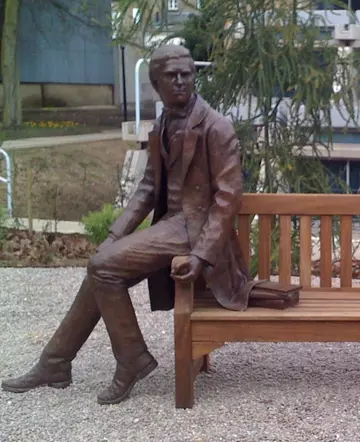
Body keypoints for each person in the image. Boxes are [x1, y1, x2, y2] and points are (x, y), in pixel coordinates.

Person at [1, 44, 251, 405]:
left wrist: (201, 255)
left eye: (187, 73)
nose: (181, 81)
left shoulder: (217, 126)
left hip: (192, 230)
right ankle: (55, 362)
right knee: (100, 268)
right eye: (172, 75)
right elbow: (148, 188)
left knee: (101, 269)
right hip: (171, 225)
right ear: (155, 83)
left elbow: (228, 199)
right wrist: (115, 235)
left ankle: (131, 359)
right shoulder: (162, 123)